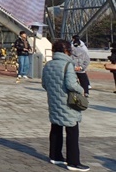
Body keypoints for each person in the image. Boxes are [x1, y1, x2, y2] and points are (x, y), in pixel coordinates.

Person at [42, 39, 89, 171]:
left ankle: (55, 156)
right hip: (67, 103)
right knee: (72, 130)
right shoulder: (67, 65)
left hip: (54, 100)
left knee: (56, 127)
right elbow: (71, 84)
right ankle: (73, 162)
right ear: (66, 51)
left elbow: (44, 84)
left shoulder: (48, 65)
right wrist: (82, 90)